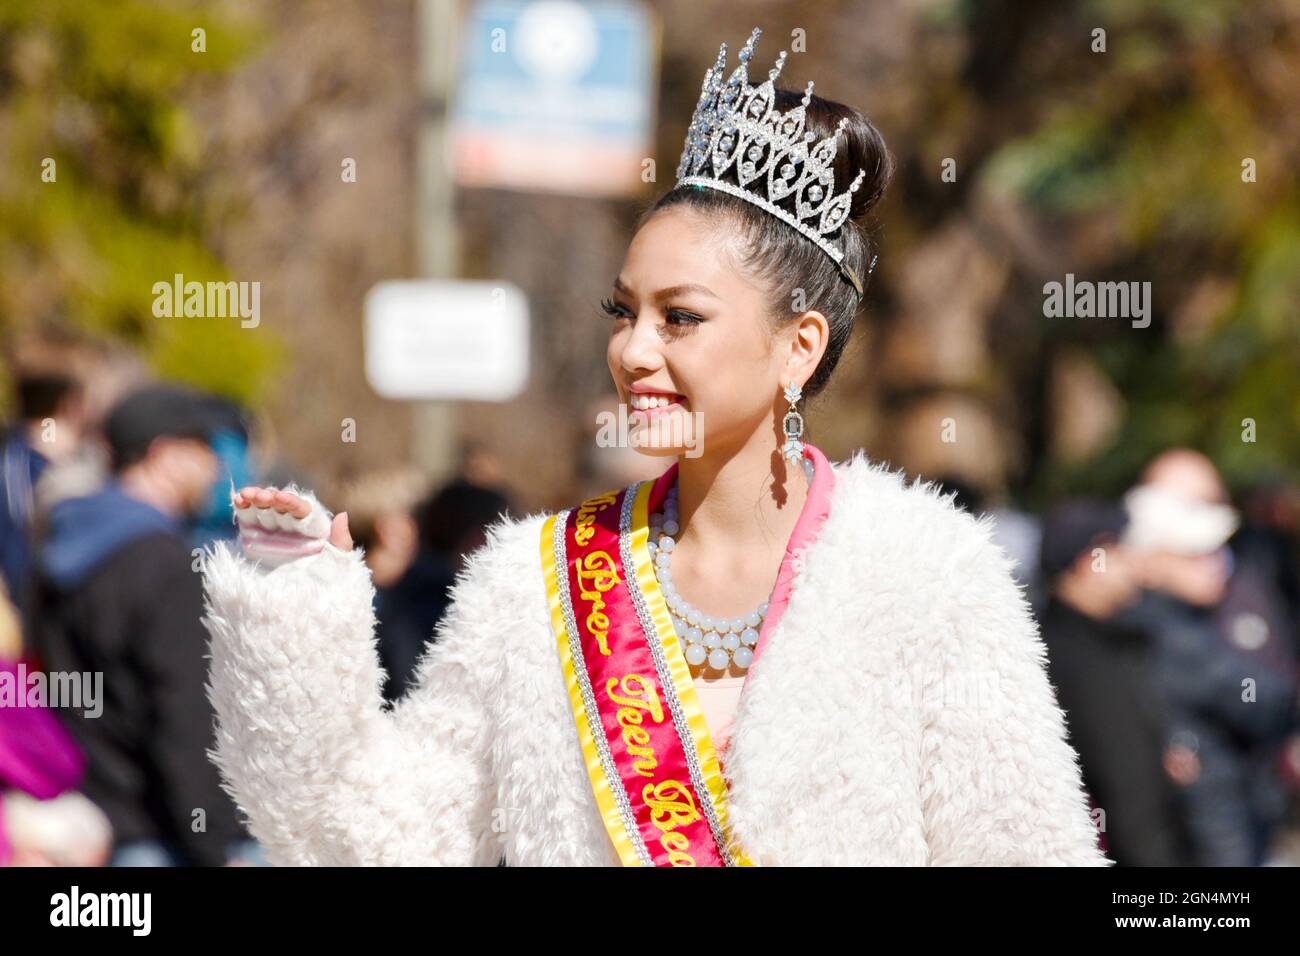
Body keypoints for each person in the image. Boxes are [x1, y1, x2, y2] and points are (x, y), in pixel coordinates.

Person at [199, 27, 1107, 866]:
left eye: (681, 317)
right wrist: (294, 607)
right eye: (622, 312)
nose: (634, 351)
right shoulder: (535, 584)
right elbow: (367, 838)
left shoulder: (926, 574)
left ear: (800, 347)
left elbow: (1025, 852)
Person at [31, 383, 250, 866]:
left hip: (89, 826)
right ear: (164, 454)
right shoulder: (166, 565)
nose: (216, 468)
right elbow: (185, 717)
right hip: (161, 834)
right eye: (204, 450)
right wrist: (215, 846)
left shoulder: (57, 549)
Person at [1123, 450, 1298, 866]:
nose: (1214, 561)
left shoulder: (1237, 593)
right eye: (1195, 552)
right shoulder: (1167, 634)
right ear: (1151, 558)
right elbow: (1270, 702)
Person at [1038, 499, 1195, 866]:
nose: (1136, 566)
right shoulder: (1079, 661)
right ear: (1087, 562)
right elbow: (1129, 791)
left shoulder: (1109, 640)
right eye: (1120, 550)